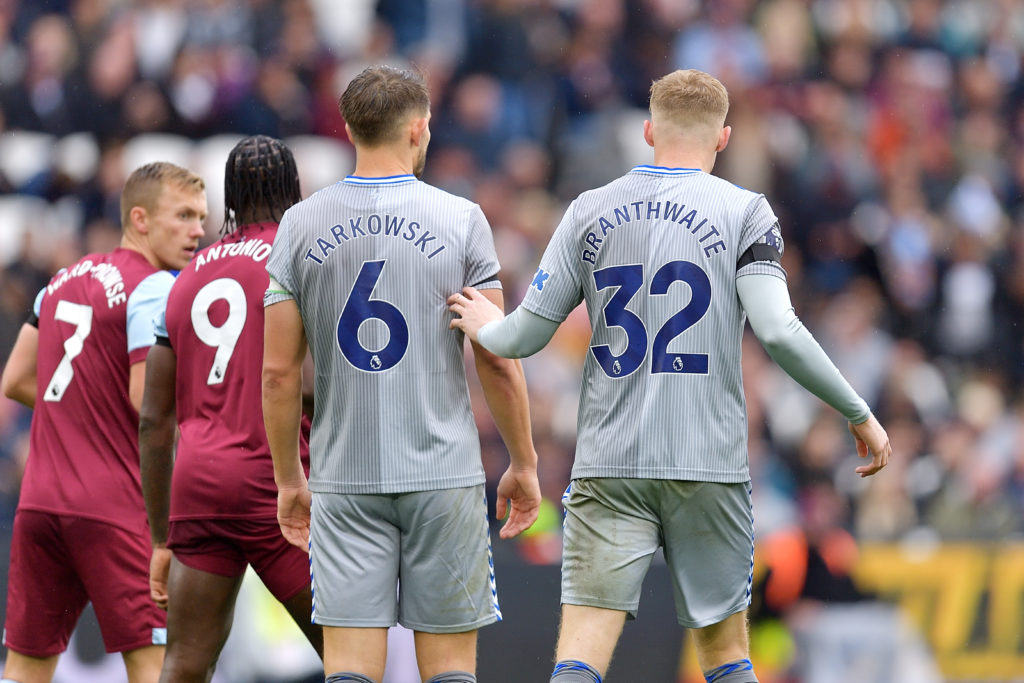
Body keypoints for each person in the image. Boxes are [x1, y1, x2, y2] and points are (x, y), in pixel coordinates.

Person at [447, 69, 892, 683]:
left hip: (610, 462)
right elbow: (781, 331)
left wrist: (483, 324)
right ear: (725, 137)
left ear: (651, 131)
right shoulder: (745, 212)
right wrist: (857, 412)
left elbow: (523, 336)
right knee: (727, 659)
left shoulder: (589, 209)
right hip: (707, 465)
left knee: (580, 654)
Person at [261, 64, 541, 683]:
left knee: (353, 673)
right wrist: (523, 462)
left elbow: (279, 373)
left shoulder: (300, 224)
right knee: (448, 673)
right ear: (419, 128)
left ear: (348, 128)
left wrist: (289, 477)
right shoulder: (462, 219)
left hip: (343, 476)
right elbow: (495, 354)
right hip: (442, 476)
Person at [0, 162, 208, 683]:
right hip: (114, 509)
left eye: (202, 218)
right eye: (182, 216)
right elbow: (146, 400)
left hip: (40, 504)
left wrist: (80, 412)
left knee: (26, 666)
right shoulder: (156, 287)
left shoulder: (62, 280)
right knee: (154, 665)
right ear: (139, 218)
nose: (198, 231)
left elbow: (17, 378)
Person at [138, 135, 323, 683]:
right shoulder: (299, 257)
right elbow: (309, 385)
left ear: (231, 196)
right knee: (353, 653)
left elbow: (153, 420)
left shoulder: (187, 278)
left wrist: (160, 537)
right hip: (275, 483)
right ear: (294, 190)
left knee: (185, 665)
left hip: (198, 486)